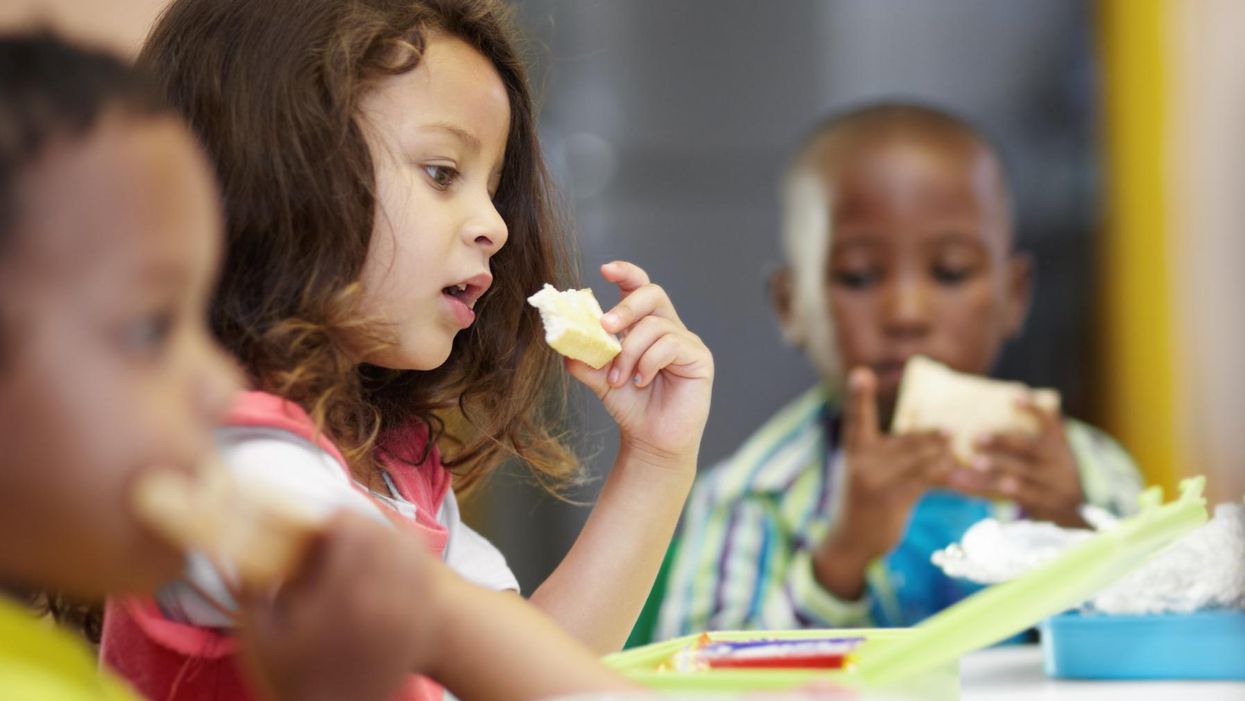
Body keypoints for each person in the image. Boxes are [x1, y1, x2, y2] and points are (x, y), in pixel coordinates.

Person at [103, 0, 713, 698]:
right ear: (280, 167)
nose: (493, 225)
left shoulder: (393, 464)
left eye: (491, 189)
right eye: (442, 172)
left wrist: (658, 461)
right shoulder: (233, 459)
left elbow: (525, 668)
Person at [656, 103, 1142, 638]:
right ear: (791, 307)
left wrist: (1070, 525)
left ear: (1014, 295)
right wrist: (840, 561)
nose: (907, 313)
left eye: (951, 272)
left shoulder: (1090, 471)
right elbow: (690, 678)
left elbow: (1158, 649)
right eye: (859, 277)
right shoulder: (751, 495)